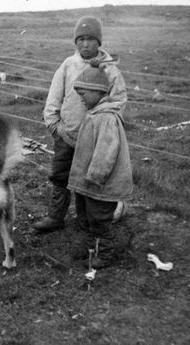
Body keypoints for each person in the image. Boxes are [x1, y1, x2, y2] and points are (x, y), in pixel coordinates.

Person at [32, 16, 127, 233]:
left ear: (99, 42)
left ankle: (85, 222)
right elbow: (54, 98)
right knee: (60, 176)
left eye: (90, 39)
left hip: (95, 140)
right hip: (67, 135)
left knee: (87, 181)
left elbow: (119, 102)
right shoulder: (68, 65)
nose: (85, 44)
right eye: (81, 39)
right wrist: (55, 128)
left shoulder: (110, 70)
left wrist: (103, 129)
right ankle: (55, 217)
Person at [68, 65, 133, 269]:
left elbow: (106, 152)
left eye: (83, 93)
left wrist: (95, 176)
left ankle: (105, 252)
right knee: (86, 215)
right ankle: (90, 247)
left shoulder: (106, 117)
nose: (80, 98)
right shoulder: (95, 113)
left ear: (98, 91)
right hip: (88, 183)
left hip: (99, 182)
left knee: (99, 218)